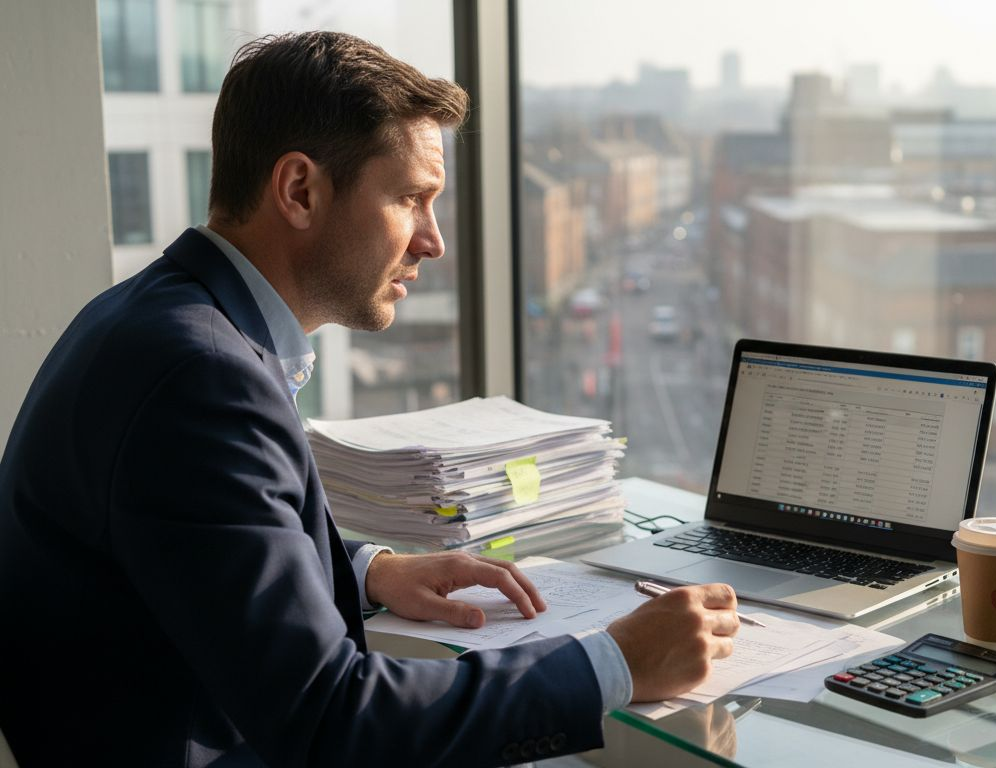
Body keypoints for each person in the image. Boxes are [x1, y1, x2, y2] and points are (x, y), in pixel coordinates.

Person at [0, 31, 739, 768]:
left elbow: (192, 546)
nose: (433, 242)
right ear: (299, 191)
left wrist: (366, 570)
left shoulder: (159, 316)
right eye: (412, 198)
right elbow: (331, 724)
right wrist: (614, 664)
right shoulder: (202, 375)